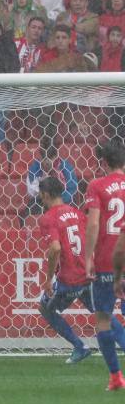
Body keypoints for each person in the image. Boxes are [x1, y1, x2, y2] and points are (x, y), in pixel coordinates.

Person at [36, 177, 97, 364]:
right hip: (88, 275)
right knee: (103, 313)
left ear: (45, 195)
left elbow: (55, 248)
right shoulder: (77, 213)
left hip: (69, 280)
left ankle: (80, 347)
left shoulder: (48, 218)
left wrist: (48, 280)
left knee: (45, 308)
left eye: (41, 197)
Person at [84, 140, 125, 390]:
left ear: (104, 162)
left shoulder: (97, 185)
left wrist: (88, 257)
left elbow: (93, 223)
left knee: (103, 318)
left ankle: (115, 376)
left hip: (106, 261)